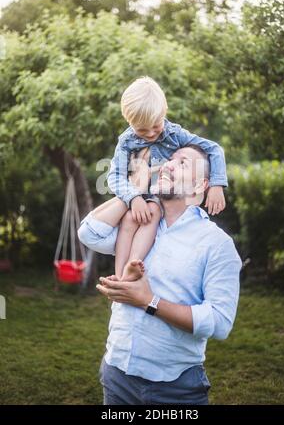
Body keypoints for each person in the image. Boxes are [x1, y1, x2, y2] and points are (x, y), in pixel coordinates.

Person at [78, 145, 242, 405]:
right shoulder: (140, 222)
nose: (167, 165)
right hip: (117, 373)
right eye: (170, 161)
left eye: (183, 163)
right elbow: (89, 233)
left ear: (201, 185)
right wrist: (131, 190)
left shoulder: (216, 244)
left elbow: (219, 322)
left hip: (176, 388)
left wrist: (149, 301)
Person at [105, 76, 228, 282]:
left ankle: (132, 265)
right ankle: (120, 275)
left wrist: (216, 184)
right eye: (142, 130)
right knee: (128, 219)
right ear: (129, 122)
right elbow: (114, 176)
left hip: (162, 196)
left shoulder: (174, 133)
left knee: (152, 211)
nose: (151, 133)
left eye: (155, 125)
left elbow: (214, 148)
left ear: (164, 113)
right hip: (135, 194)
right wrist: (134, 198)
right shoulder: (126, 142)